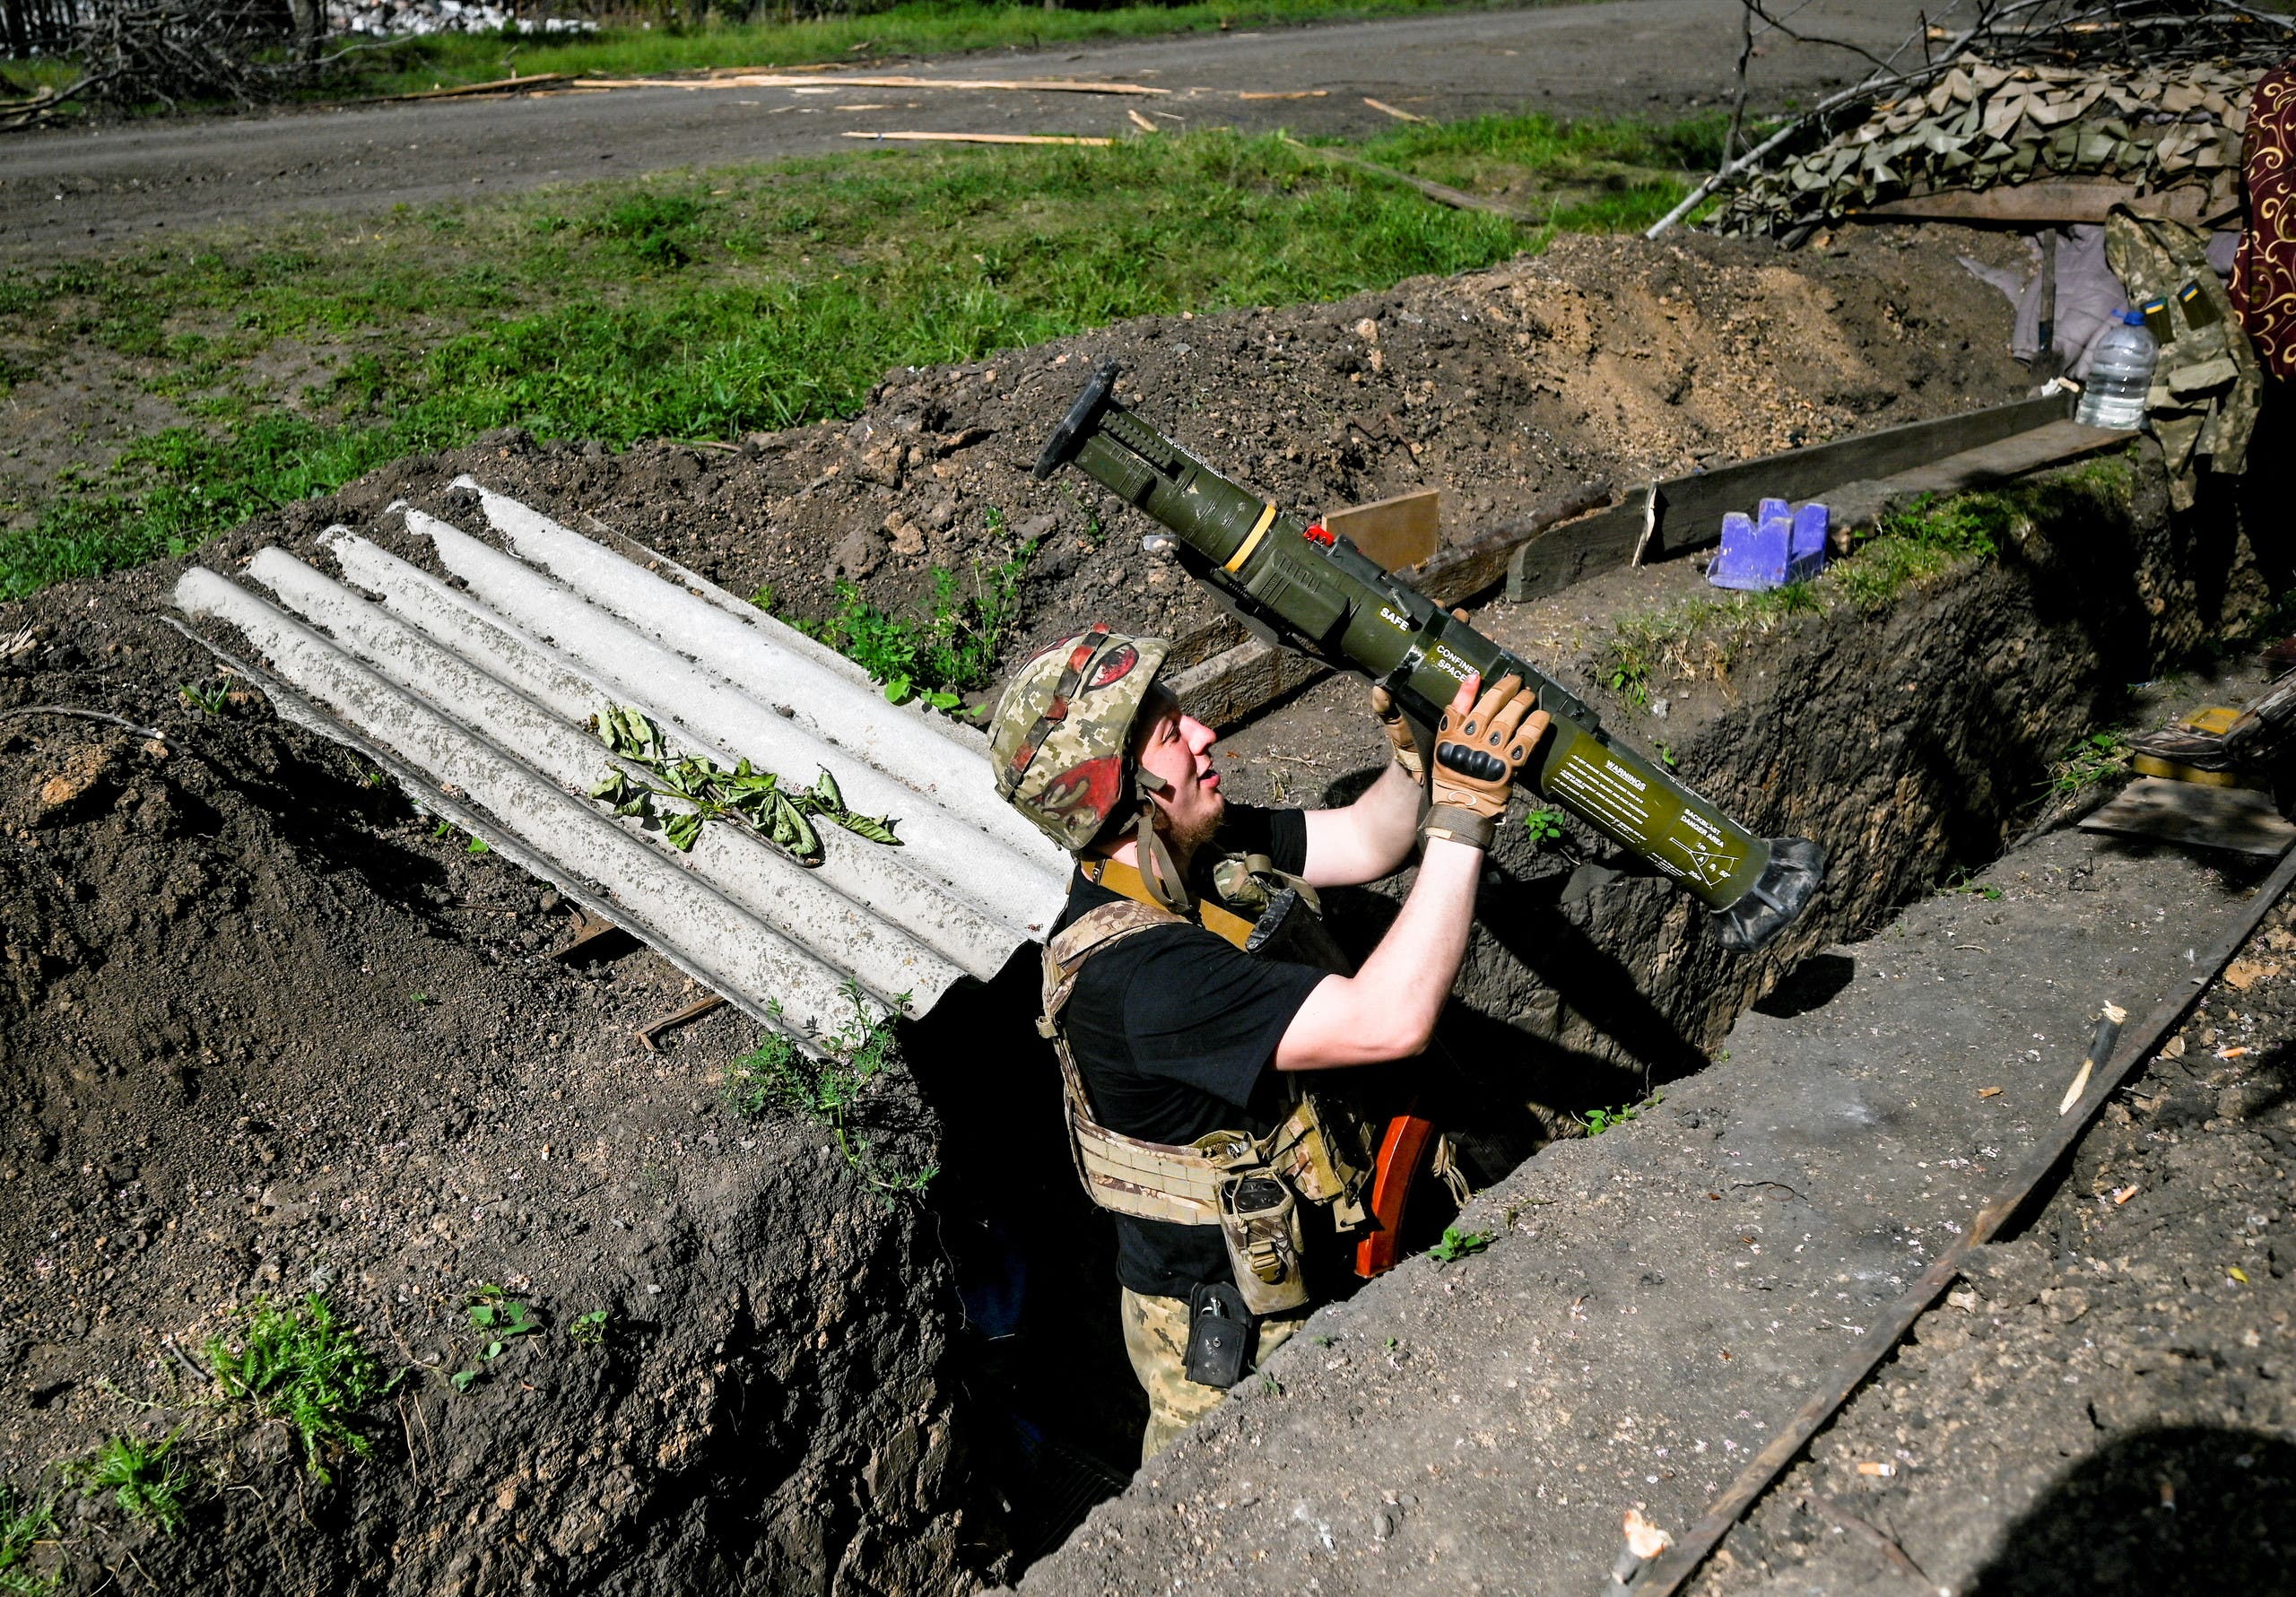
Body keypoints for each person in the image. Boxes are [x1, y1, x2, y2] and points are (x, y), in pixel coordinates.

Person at [987, 623, 1549, 1461]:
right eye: (1174, 734)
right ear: (1121, 790)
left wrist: (1417, 761)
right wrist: (1465, 818)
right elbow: (1387, 1018)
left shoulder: (1181, 852)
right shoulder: (1143, 979)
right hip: (1228, 1326)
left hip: (1301, 1254)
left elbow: (1364, 840)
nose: (1207, 734)